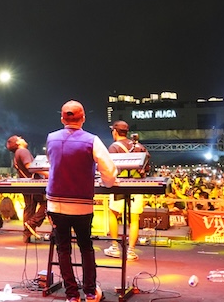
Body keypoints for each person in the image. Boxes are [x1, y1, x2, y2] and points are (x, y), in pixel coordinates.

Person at [46, 100, 117, 302]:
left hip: (55, 203)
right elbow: (109, 171)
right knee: (86, 247)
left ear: (62, 119)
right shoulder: (92, 140)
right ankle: (90, 292)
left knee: (63, 249)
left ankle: (72, 295)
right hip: (81, 206)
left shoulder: (51, 138)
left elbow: (53, 163)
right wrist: (108, 182)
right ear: (83, 118)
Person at [104, 120, 150, 261]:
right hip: (137, 186)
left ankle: (114, 247)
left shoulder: (114, 147)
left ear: (115, 132)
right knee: (134, 219)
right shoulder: (139, 146)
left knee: (113, 213)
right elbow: (147, 167)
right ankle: (131, 251)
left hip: (119, 185)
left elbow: (110, 168)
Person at [6, 135, 47, 243]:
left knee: (29, 208)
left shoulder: (16, 154)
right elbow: (29, 166)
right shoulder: (23, 151)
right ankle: (32, 223)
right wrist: (47, 174)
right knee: (48, 204)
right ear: (18, 143)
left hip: (27, 185)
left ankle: (27, 234)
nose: (22, 138)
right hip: (34, 185)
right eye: (20, 138)